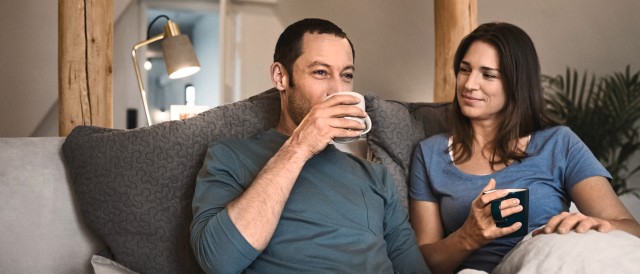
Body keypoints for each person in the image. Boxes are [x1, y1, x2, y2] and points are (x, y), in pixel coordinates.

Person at [190, 18, 430, 274]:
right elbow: (219, 261)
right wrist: (301, 145)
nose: (336, 90)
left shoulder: (375, 176)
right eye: (320, 72)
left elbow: (412, 268)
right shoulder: (230, 156)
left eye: (346, 75)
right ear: (281, 77)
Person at [409, 22, 640, 273]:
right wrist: (468, 236)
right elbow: (424, 263)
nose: (469, 84)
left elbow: (631, 229)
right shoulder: (429, 154)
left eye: (488, 74)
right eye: (465, 70)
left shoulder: (559, 143)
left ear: (516, 84)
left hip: (553, 260)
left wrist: (589, 223)